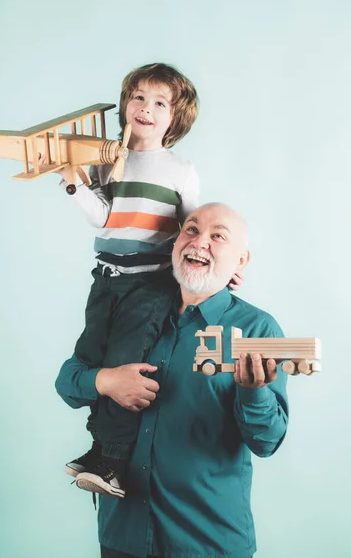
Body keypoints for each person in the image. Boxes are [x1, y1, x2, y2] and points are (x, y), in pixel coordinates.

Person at [56, 202, 288, 558]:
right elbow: (68, 381)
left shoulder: (258, 330)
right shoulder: (129, 311)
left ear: (241, 261)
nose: (199, 242)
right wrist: (106, 381)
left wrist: (253, 392)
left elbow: (267, 442)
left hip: (206, 541)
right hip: (122, 536)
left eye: (218, 236)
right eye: (191, 229)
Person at [56, 63, 229, 499]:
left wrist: (219, 264)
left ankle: (113, 460)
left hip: (151, 284)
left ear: (175, 118)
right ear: (125, 104)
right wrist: (73, 183)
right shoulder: (106, 158)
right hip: (107, 279)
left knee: (126, 359)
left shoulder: (180, 170)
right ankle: (99, 448)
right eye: (137, 97)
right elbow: (104, 217)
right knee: (95, 358)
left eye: (159, 102)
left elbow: (195, 226)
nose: (145, 108)